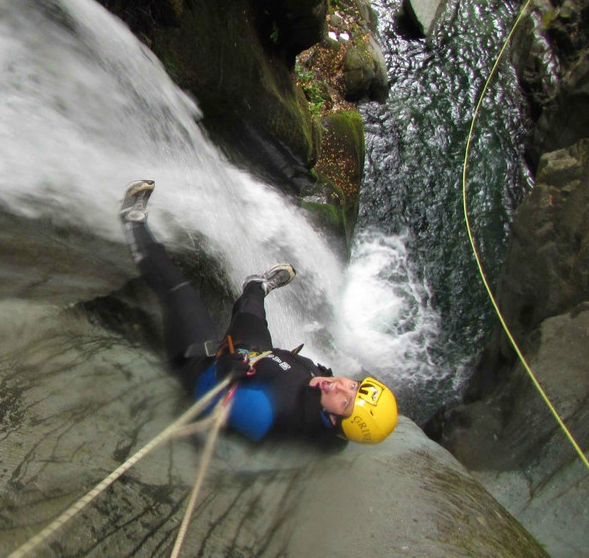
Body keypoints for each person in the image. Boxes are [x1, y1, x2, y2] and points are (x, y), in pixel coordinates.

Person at [119, 179, 397, 447]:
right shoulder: (334, 429)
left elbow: (210, 402)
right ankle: (257, 285)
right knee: (252, 299)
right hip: (257, 356)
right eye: (354, 386)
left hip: (203, 365)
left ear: (337, 422)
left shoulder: (265, 410)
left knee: (180, 292)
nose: (340, 386)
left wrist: (222, 374)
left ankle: (132, 222)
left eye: (346, 401)